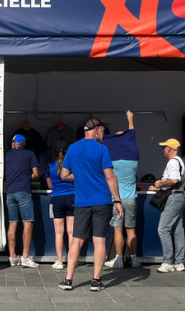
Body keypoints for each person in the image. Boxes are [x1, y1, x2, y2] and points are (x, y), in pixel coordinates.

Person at [58, 118, 123, 292]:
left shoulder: (73, 148)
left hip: (82, 202)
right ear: (96, 130)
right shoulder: (102, 149)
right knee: (99, 240)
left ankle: (68, 279)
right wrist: (117, 200)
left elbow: (63, 175)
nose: (104, 133)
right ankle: (96, 280)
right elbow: (110, 177)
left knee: (76, 240)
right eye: (103, 130)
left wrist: (81, 176)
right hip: (101, 201)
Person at [103, 110, 139, 268]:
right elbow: (132, 135)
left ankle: (118, 260)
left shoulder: (112, 162)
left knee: (118, 230)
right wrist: (130, 119)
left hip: (117, 199)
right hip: (131, 199)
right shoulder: (133, 161)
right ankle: (134, 259)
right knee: (131, 230)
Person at [148, 138, 185, 273]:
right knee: (177, 230)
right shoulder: (180, 161)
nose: (163, 149)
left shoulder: (173, 162)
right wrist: (159, 188)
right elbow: (175, 182)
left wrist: (159, 184)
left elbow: (174, 180)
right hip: (179, 196)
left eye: (164, 147)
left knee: (163, 229)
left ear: (169, 149)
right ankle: (179, 262)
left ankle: (168, 262)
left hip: (173, 198)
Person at [4, 134, 40, 268]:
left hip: (10, 192)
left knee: (12, 224)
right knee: (27, 223)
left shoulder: (6, 155)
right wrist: (27, 178)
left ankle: (13, 257)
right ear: (23, 144)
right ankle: (25, 257)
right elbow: (36, 174)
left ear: (14, 143)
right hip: (24, 191)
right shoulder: (29, 154)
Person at [46, 140, 74, 270]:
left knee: (59, 232)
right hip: (72, 198)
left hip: (57, 199)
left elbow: (50, 186)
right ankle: (72, 260)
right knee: (71, 232)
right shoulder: (72, 166)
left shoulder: (50, 166)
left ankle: (59, 261)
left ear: (55, 152)